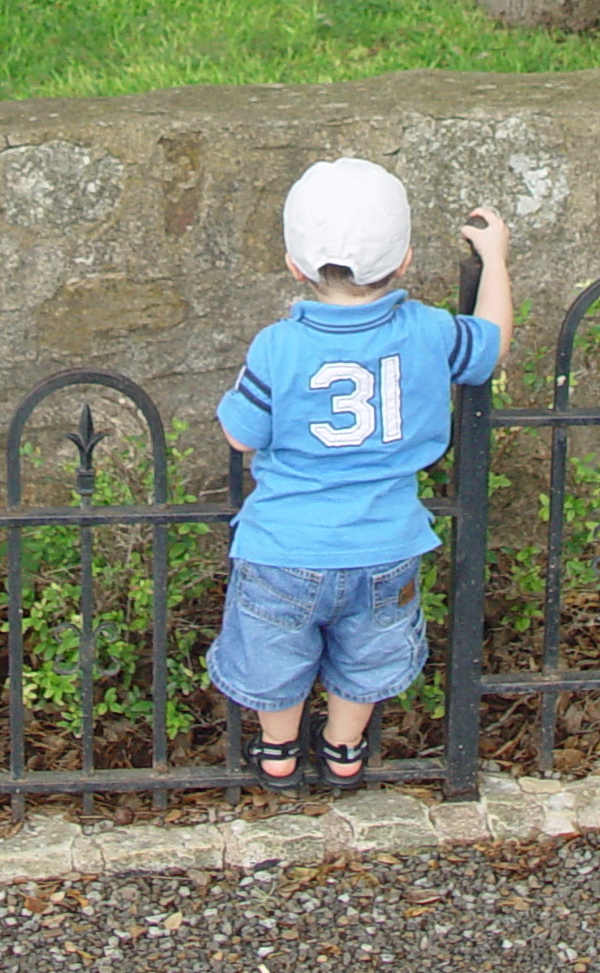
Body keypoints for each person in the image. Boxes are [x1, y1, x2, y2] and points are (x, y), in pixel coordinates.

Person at [206, 157, 512, 790]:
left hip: (283, 549)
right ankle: (344, 750)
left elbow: (241, 434)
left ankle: (279, 751)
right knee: (368, 657)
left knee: (275, 655)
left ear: (295, 266)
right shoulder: (428, 331)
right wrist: (497, 259)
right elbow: (489, 344)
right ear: (402, 262)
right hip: (387, 544)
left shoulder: (278, 346)